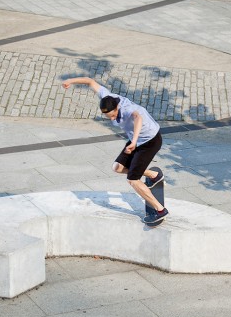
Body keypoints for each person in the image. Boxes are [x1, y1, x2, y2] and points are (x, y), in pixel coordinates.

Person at [62, 77, 168, 224]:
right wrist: (70, 81)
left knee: (133, 180)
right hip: (136, 141)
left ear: (117, 108)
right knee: (117, 167)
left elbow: (138, 118)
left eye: (112, 115)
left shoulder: (127, 110)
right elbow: (90, 82)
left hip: (150, 141)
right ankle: (154, 175)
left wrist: (135, 141)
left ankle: (160, 210)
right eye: (107, 116)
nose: (111, 119)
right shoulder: (107, 98)